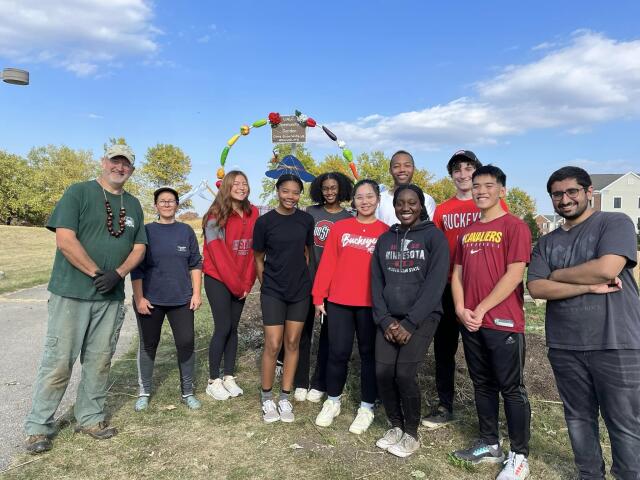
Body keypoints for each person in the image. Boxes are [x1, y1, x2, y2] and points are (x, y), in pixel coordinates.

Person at [24, 144, 147, 454]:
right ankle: (39, 426)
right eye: (115, 161)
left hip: (110, 298)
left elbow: (139, 248)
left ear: (131, 169)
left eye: (126, 164)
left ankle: (90, 417)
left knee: (99, 359)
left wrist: (117, 274)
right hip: (72, 293)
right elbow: (65, 240)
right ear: (103, 162)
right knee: (59, 360)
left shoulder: (133, 204)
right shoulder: (78, 192)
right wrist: (96, 273)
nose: (120, 168)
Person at [527, 166, 640, 480]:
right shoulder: (547, 243)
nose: (564, 199)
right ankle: (589, 475)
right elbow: (536, 287)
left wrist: (558, 275)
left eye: (572, 191)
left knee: (625, 421)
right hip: (565, 345)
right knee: (578, 418)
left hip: (616, 341)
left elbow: (607, 268)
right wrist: (587, 286)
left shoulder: (615, 222)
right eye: (557, 194)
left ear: (589, 192)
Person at [450, 165, 532, 480]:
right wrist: (460, 307)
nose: (481, 191)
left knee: (511, 388)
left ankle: (519, 455)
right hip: (470, 321)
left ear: (502, 190)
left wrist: (482, 308)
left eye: (488, 185)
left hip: (503, 321)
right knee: (482, 383)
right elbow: (456, 273)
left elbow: (514, 274)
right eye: (477, 185)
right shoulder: (467, 230)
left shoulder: (515, 226)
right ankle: (489, 442)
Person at [425, 150, 507, 428]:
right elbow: (433, 248)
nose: (463, 174)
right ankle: (444, 404)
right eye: (457, 170)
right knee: (444, 350)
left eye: (468, 168)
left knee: (484, 351)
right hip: (448, 287)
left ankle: (491, 408)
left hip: (482, 288)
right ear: (451, 175)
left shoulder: (490, 205)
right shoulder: (443, 210)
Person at [371, 184, 449, 457]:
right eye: (400, 203)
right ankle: (395, 425)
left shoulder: (434, 238)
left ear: (421, 205)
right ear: (394, 207)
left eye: (412, 202)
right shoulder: (385, 239)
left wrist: (410, 323)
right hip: (389, 318)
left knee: (404, 374)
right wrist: (384, 320)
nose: (406, 208)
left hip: (422, 317)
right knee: (382, 372)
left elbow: (435, 285)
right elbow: (376, 282)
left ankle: (411, 434)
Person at [312, 179, 388, 434]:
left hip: (371, 305)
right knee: (337, 353)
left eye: (370, 196)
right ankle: (332, 400)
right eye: (359, 197)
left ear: (377, 199)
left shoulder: (387, 232)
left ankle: (367, 406)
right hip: (339, 302)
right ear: (352, 201)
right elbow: (328, 263)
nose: (365, 201)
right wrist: (318, 296)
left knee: (369, 356)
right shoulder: (341, 228)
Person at [131, 187, 203, 411]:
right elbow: (137, 269)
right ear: (155, 205)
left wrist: (197, 293)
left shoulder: (185, 231)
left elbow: (195, 264)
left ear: (177, 205)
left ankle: (188, 392)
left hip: (181, 299)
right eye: (162, 201)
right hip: (150, 300)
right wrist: (139, 298)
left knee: (186, 342)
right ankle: (144, 392)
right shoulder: (146, 232)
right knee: (148, 345)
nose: (167, 204)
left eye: (171, 201)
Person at [253, 174, 314, 423]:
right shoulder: (265, 222)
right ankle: (267, 397)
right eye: (286, 191)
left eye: (296, 192)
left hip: (299, 291)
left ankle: (285, 397)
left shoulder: (306, 220)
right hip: (273, 291)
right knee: (273, 343)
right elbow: (258, 258)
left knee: (292, 342)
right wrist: (266, 285)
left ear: (300, 194)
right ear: (277, 191)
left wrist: (305, 281)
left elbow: (307, 253)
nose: (291, 196)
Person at [289, 172, 354, 403]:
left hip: (334, 286)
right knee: (303, 333)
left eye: (333, 188)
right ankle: (301, 381)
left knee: (329, 335)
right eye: (325, 188)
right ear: (319, 189)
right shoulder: (310, 213)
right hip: (307, 281)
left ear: (341, 189)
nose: (329, 192)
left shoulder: (349, 218)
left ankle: (320, 382)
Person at [202, 171, 258, 400]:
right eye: (236, 183)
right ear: (226, 186)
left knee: (233, 328)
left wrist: (248, 282)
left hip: (242, 281)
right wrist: (237, 285)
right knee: (223, 326)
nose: (241, 187)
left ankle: (228, 375)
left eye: (244, 183)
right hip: (218, 278)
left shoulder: (253, 212)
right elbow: (218, 254)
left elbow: (254, 251)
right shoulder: (214, 216)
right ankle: (213, 379)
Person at [376, 150, 436, 225]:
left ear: (414, 169)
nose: (402, 170)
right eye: (396, 166)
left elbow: (429, 231)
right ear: (390, 170)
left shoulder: (426, 200)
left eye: (407, 165)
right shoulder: (379, 199)